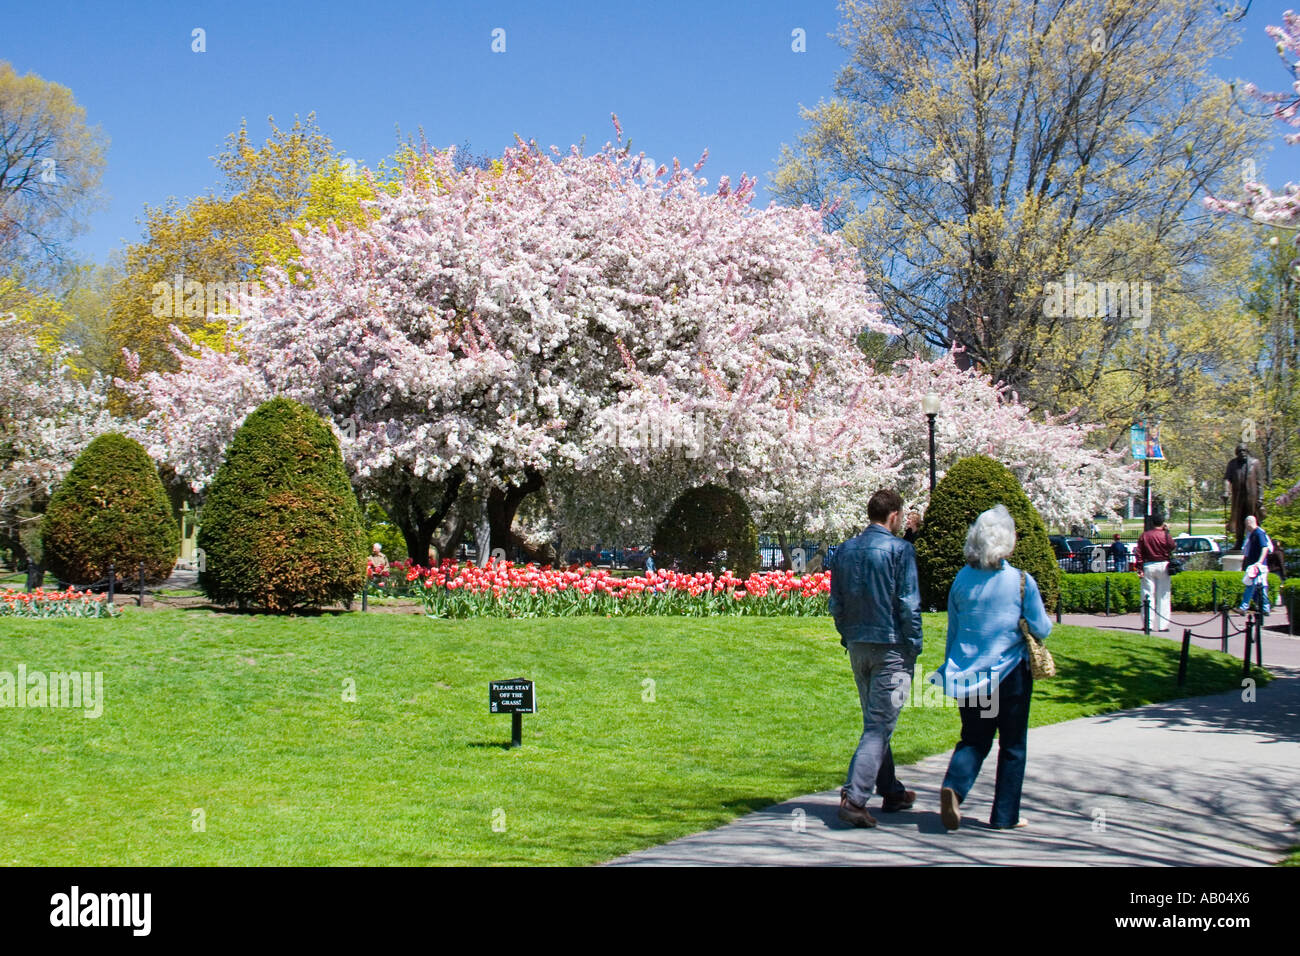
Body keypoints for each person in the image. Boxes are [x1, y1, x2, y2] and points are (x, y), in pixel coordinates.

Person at [934, 505, 1051, 831]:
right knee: (1012, 746)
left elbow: (954, 629)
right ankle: (1004, 816)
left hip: (970, 673)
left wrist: (949, 666)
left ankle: (954, 787)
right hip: (1011, 673)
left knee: (973, 739)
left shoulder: (961, 579)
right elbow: (1042, 628)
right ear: (1008, 542)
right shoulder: (1021, 582)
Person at [828, 489, 923, 828]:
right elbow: (908, 604)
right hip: (890, 647)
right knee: (879, 725)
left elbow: (835, 603)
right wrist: (914, 646)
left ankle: (892, 791)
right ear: (894, 516)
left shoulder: (845, 551)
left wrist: (847, 634)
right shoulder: (901, 551)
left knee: (876, 720)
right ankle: (854, 798)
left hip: (858, 645)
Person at [1135, 513, 1175, 632]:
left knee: (1147, 595)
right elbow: (1172, 546)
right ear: (1163, 523)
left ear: (1152, 523)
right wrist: (1167, 532)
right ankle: (1163, 625)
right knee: (1163, 595)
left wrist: (1139, 567)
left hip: (1148, 565)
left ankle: (1148, 624)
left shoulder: (1145, 535)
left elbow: (1139, 552)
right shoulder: (1165, 535)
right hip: (1163, 564)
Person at [1224, 443, 1265, 550]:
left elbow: (1260, 482)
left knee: (1252, 519)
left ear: (1247, 452)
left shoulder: (1255, 463)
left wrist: (1261, 497)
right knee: (1239, 520)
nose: (1242, 453)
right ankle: (1239, 542)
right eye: (1240, 451)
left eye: (1244, 451)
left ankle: (1256, 542)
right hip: (1238, 497)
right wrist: (1226, 491)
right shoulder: (1232, 464)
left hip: (1252, 497)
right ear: (1236, 453)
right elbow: (1227, 479)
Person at [1235, 515, 1273, 616]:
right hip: (1254, 565)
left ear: (1249, 522)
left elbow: (1264, 548)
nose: (1245, 526)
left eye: (1245, 524)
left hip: (1258, 566)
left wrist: (1259, 562)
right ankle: (1247, 607)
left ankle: (1264, 607)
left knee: (1260, 586)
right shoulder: (1252, 534)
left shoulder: (1259, 533)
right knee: (1251, 586)